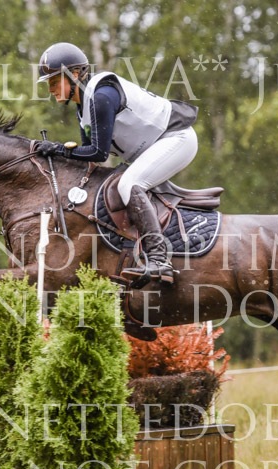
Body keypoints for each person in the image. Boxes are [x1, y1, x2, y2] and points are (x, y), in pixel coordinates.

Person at [35, 42, 199, 286]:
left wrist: (58, 149)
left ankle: (159, 259)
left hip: (176, 138)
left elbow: (98, 153)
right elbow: (89, 158)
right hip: (157, 146)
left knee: (129, 185)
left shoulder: (101, 97)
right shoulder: (83, 107)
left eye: (54, 81)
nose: (50, 89)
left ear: (75, 74)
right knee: (116, 185)